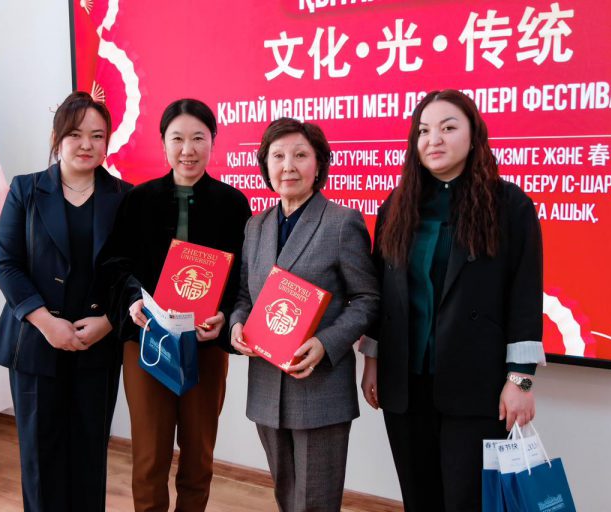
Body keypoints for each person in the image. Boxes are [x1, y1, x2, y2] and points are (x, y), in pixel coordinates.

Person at [360, 89, 545, 512]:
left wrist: (521, 380)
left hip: (476, 384)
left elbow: (524, 296)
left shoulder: (509, 205)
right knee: (419, 498)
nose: (434, 140)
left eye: (448, 128)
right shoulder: (397, 206)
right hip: (405, 384)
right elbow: (383, 294)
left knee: (467, 501)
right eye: (424, 131)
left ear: (474, 135)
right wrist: (372, 360)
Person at [103, 98, 251, 512]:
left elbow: (244, 274)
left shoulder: (232, 203)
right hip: (147, 342)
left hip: (205, 345)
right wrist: (134, 299)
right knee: (150, 455)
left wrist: (225, 315)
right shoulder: (138, 200)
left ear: (213, 141)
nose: (188, 149)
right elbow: (114, 264)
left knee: (199, 454)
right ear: (163, 143)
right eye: (178, 139)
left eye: (198, 138)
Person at [0, 91, 132, 511]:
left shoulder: (124, 196)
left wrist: (109, 320)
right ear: (57, 138)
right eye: (75, 134)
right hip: (35, 343)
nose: (87, 144)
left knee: (89, 456)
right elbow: (6, 264)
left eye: (97, 135)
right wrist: (46, 322)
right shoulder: (26, 190)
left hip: (97, 345)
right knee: (40, 458)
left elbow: (135, 271)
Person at [230, 118, 379, 512]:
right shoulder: (256, 226)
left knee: (315, 504)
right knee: (286, 498)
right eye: (278, 156)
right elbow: (244, 294)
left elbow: (367, 298)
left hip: (320, 388)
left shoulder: (342, 222)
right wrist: (237, 324)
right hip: (266, 388)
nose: (288, 166)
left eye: (300, 155)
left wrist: (326, 343)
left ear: (319, 163)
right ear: (265, 165)